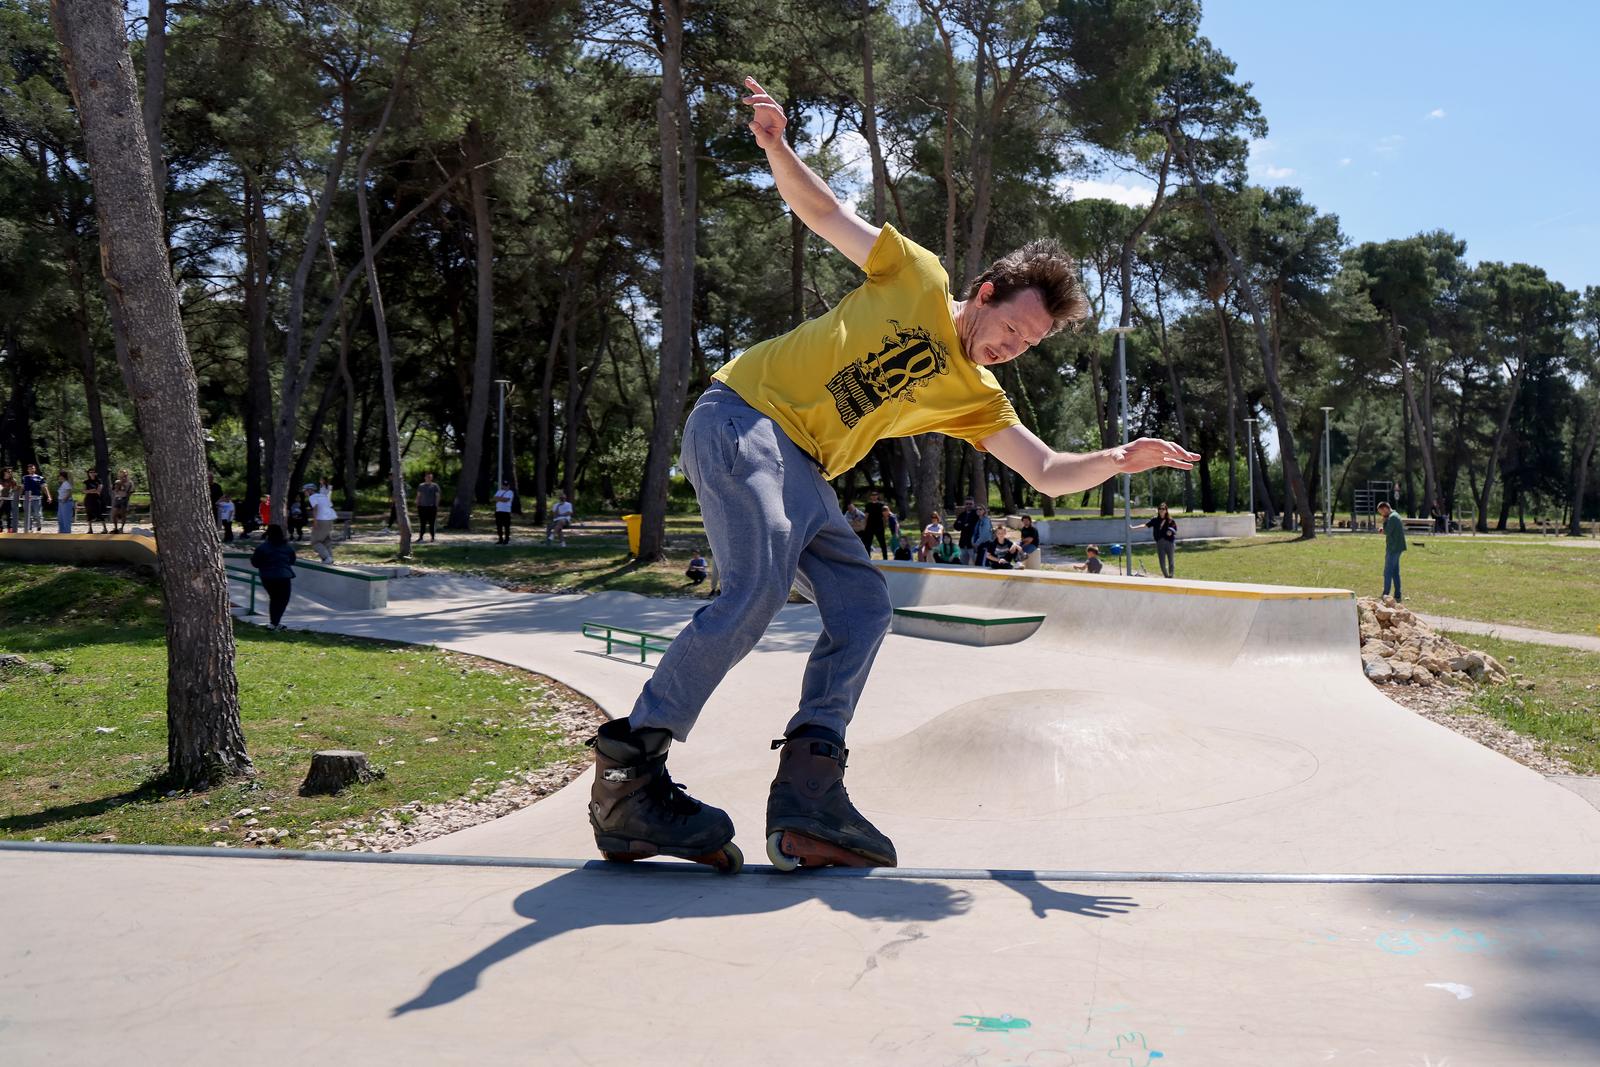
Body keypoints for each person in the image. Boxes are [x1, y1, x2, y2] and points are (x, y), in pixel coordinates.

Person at [583, 74, 1197, 874]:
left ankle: (809, 787)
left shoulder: (976, 395)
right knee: (760, 577)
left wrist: (1119, 458)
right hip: (744, 415)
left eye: (1028, 345)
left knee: (864, 604)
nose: (1011, 348)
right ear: (983, 294)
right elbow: (824, 213)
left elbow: (1043, 470)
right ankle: (631, 772)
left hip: (803, 467)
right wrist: (777, 145)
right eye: (1010, 327)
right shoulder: (918, 275)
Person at [250, 524, 297, 630]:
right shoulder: (287, 547)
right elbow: (292, 560)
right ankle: (275, 622)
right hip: (284, 576)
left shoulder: (262, 548)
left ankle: (274, 623)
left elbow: (255, 563)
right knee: (282, 600)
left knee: (274, 598)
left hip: (267, 577)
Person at [1135, 502, 1178, 578]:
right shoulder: (1155, 520)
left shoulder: (1170, 520)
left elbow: (1175, 529)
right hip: (1160, 543)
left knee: (1171, 561)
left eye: (1163, 509)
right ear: (1158, 510)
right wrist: (1134, 528)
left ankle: (1171, 576)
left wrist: (1170, 532)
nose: (1161, 510)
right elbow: (1145, 525)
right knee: (1162, 563)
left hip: (1169, 543)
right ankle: (1166, 576)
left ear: (1166, 510)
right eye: (1160, 509)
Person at [1379, 500, 1406, 601]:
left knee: (1388, 571)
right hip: (1396, 547)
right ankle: (1397, 595)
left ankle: (1385, 594)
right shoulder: (1395, 515)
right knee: (1395, 572)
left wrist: (1384, 522)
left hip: (1394, 548)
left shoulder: (1393, 517)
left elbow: (1387, 531)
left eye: (1381, 512)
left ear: (1385, 508)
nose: (1381, 514)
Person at [306, 482, 337, 563]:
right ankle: (329, 558)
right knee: (326, 540)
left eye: (305, 491)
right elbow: (330, 506)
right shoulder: (322, 496)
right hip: (330, 519)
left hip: (321, 520)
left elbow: (315, 508)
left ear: (309, 490)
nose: (305, 493)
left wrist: (315, 521)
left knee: (315, 541)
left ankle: (327, 557)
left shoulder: (312, 497)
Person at [860, 490, 889, 560]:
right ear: (871, 497)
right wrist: (864, 526)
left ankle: (885, 558)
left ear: (877, 496)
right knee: (868, 543)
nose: (874, 496)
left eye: (875, 495)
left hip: (879, 526)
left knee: (882, 543)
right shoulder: (868, 505)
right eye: (872, 495)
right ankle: (867, 558)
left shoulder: (882, 505)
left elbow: (885, 515)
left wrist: (885, 524)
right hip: (870, 527)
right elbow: (866, 516)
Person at [21, 464, 49, 533]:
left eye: (32, 468)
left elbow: (44, 488)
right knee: (28, 514)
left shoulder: (40, 478)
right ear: (28, 470)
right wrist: (19, 496)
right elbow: (22, 488)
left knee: (37, 514)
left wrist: (49, 496)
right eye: (29, 469)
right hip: (27, 498)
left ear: (35, 469)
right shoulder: (24, 478)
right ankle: (29, 528)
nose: (31, 470)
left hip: (37, 498)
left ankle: (39, 526)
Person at [415, 472, 441, 542]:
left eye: (430, 477)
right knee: (422, 523)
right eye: (427, 477)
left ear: (432, 478)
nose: (428, 478)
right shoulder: (421, 486)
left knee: (432, 523)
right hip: (422, 507)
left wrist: (436, 505)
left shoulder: (435, 486)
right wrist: (417, 503)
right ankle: (421, 537)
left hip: (431, 507)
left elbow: (437, 496)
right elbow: (418, 495)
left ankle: (432, 537)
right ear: (425, 478)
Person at [954, 497, 978, 564]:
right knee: (963, 565)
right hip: (963, 544)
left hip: (973, 544)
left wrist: (962, 525)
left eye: (970, 504)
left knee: (976, 564)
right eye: (967, 504)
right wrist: (964, 525)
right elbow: (956, 527)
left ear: (973, 504)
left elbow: (971, 527)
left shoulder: (977, 515)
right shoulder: (962, 515)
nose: (968, 505)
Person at [82, 469, 107, 533]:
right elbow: (84, 491)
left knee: (99, 514)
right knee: (89, 514)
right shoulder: (86, 482)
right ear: (88, 473)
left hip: (96, 499)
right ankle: (90, 529)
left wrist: (89, 491)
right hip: (88, 500)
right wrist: (92, 490)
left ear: (95, 473)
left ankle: (105, 528)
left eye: (93, 472)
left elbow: (98, 491)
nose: (92, 473)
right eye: (90, 472)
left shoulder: (99, 481)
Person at [0, 468, 17, 533]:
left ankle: (10, 528)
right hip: (1, 499)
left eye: (10, 472)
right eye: (8, 472)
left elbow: (15, 490)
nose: (10, 473)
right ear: (4, 472)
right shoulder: (0, 480)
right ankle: (0, 528)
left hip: (9, 499)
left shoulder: (13, 481)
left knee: (9, 515)